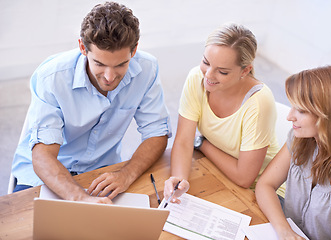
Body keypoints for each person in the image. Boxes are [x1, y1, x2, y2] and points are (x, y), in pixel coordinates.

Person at [11, 2, 171, 204]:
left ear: (134, 50)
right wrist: (80, 199)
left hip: (101, 173)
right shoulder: (52, 77)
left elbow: (157, 132)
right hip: (44, 176)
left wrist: (126, 174)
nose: (109, 77)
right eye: (100, 64)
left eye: (121, 64)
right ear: (82, 48)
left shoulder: (147, 68)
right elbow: (43, 156)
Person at [164, 23, 283, 204]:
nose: (209, 75)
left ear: (245, 70)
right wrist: (179, 180)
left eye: (222, 71)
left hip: (263, 191)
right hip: (220, 171)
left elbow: (244, 178)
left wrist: (203, 144)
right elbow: (183, 140)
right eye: (206, 62)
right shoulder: (197, 78)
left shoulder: (259, 102)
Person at [255, 65, 331, 240]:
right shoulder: (300, 139)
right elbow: (265, 185)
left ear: (329, 116)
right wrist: (285, 231)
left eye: (301, 111)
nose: (290, 116)